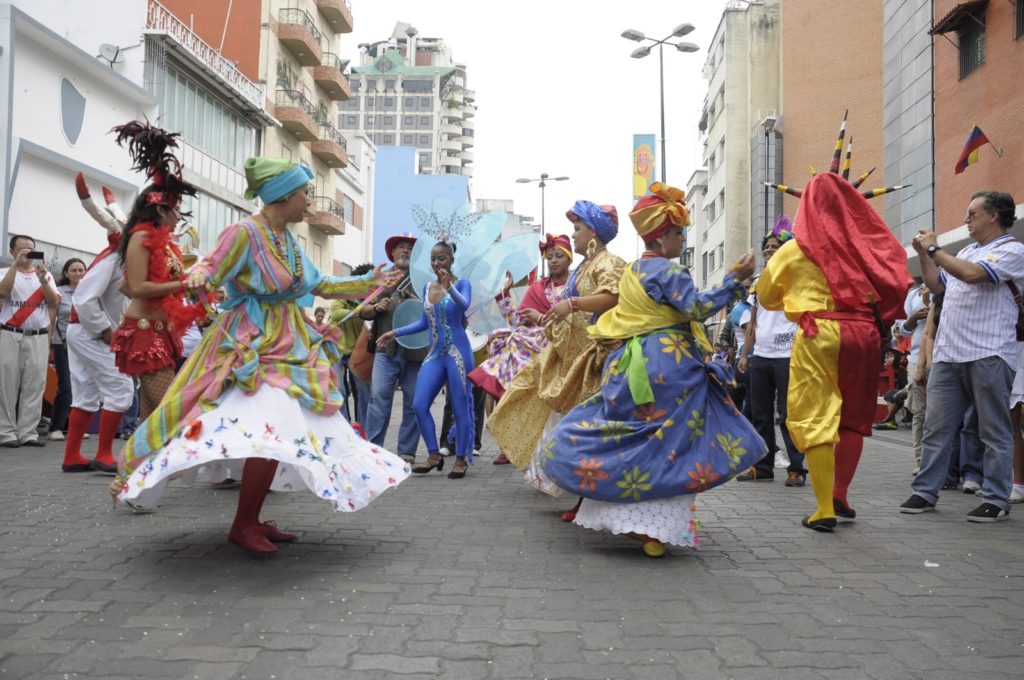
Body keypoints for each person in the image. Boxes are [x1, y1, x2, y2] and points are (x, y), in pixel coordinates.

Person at [114, 156, 408, 554]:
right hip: (249, 347)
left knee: (280, 430)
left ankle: (249, 519)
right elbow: (209, 269)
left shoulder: (288, 240)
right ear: (283, 195)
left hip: (290, 343)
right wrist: (200, 276)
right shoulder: (243, 233)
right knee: (266, 426)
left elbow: (320, 283)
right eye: (305, 193)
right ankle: (243, 522)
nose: (309, 202)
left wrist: (366, 282)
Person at [538, 182, 764, 557]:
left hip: (629, 361)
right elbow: (696, 308)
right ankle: (653, 529)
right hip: (668, 363)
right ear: (662, 237)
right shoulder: (669, 273)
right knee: (669, 441)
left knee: (633, 433)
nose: (682, 239)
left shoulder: (632, 271)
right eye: (679, 233)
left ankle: (628, 517)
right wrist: (735, 279)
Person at [758, 133, 911, 531]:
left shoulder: (794, 250)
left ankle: (824, 507)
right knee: (853, 416)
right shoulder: (864, 246)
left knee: (816, 416)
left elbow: (767, 296)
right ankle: (841, 493)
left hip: (819, 332)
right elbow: (893, 277)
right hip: (863, 334)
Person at [900, 191, 1024, 522]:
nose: (966, 220)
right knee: (936, 427)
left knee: (993, 430)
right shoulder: (967, 250)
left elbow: (972, 275)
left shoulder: (1013, 251)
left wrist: (933, 249)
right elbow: (937, 287)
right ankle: (925, 490)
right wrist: (924, 257)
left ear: (994, 216)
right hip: (949, 354)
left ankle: (997, 498)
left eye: (973, 214)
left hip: (990, 352)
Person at [108, 122, 208, 423]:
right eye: (177, 210)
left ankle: (135, 470)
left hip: (161, 333)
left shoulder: (166, 245)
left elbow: (127, 285)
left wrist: (184, 287)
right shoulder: (141, 237)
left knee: (152, 419)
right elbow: (137, 287)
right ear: (162, 210)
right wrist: (183, 282)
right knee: (170, 415)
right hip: (144, 334)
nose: (179, 218)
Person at [469, 235, 573, 464]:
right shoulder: (538, 288)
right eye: (550, 257)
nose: (553, 261)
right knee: (521, 400)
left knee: (555, 409)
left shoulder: (577, 285)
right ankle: (513, 447)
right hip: (536, 354)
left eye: (559, 256)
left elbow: (579, 319)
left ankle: (560, 455)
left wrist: (542, 319)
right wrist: (504, 294)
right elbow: (518, 321)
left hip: (566, 352)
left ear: (569, 259)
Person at [377, 241, 476, 479]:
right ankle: (433, 454)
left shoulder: (462, 283)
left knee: (460, 408)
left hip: (458, 354)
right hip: (435, 354)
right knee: (419, 404)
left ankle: (461, 458)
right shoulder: (426, 287)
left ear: (451, 259)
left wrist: (449, 286)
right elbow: (424, 322)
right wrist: (395, 332)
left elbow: (464, 305)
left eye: (441, 258)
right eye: (433, 258)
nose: (436, 263)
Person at [59, 217, 133, 474]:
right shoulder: (114, 260)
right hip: (91, 331)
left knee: (86, 393)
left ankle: (72, 457)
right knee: (121, 387)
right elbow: (84, 297)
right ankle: (104, 454)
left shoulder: (121, 260)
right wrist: (104, 329)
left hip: (83, 331)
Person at [736, 220, 806, 486]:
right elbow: (753, 321)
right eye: (766, 247)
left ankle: (797, 469)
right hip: (760, 357)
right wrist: (745, 355)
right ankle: (763, 467)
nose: (768, 251)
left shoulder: (796, 279)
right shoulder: (757, 283)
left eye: (775, 246)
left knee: (789, 416)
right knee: (760, 415)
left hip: (789, 355)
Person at [361, 233, 425, 464]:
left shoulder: (422, 280)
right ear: (392, 252)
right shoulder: (382, 278)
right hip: (384, 350)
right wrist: (377, 307)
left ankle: (406, 452)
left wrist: (416, 300)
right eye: (401, 247)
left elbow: (434, 311)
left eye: (410, 248)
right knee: (378, 399)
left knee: (414, 400)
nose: (405, 251)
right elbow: (363, 311)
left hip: (416, 351)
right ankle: (373, 450)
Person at [0, 234, 61, 447]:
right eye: (22, 250)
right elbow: (3, 291)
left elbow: (53, 302)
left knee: (35, 384)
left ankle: (28, 432)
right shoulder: (4, 273)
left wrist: (43, 278)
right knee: (7, 382)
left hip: (37, 335)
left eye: (30, 249)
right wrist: (15, 266)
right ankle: (6, 432)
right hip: (10, 333)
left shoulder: (46, 275)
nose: (27, 253)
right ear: (12, 252)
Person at [49, 258, 86, 440]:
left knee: (82, 385)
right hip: (62, 343)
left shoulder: (90, 292)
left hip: (84, 345)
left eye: (81, 270)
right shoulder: (59, 292)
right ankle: (55, 426)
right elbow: (52, 317)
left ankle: (73, 426)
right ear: (66, 273)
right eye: (74, 270)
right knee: (66, 385)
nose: (78, 274)